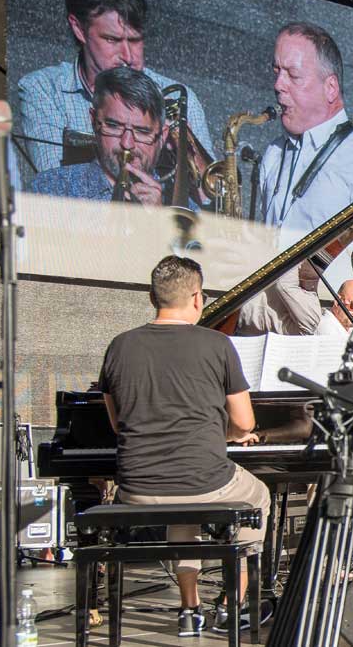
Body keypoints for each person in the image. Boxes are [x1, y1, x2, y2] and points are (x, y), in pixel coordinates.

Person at [99, 256, 269, 636]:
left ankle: (189, 610)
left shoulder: (119, 346)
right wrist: (224, 435)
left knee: (184, 512)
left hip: (136, 489)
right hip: (203, 479)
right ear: (197, 298)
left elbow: (117, 422)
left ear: (152, 297)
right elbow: (245, 423)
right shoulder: (217, 345)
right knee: (257, 495)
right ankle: (232, 604)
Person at [17, 0, 211, 174]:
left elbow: (211, 199)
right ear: (79, 29)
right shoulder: (43, 89)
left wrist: (186, 151)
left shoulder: (178, 98)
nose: (128, 56)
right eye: (112, 39)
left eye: (135, 40)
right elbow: (54, 184)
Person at [258, 22, 353, 287]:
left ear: (331, 88)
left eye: (293, 75)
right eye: (276, 71)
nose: (278, 85)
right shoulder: (273, 154)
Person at [30, 66, 168, 205]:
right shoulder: (50, 188)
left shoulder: (184, 207)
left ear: (162, 136)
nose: (126, 144)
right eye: (113, 126)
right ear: (93, 120)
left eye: (142, 132)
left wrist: (160, 222)